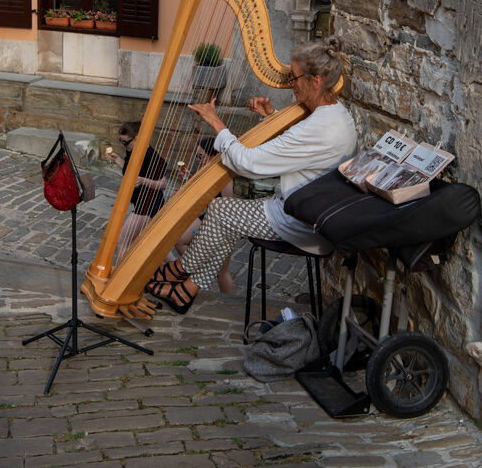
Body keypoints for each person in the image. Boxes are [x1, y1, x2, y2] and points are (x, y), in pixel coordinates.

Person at [145, 37, 357, 314]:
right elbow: (298, 146)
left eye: (294, 79)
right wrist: (271, 117)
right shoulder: (336, 115)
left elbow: (248, 164)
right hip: (305, 207)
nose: (291, 85)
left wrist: (216, 123)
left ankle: (175, 272)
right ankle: (185, 291)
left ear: (316, 81)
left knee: (221, 212)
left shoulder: (319, 127)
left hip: (302, 221)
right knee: (225, 219)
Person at [174, 136, 234, 294]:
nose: (197, 160)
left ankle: (227, 302)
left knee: (222, 272)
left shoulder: (224, 177)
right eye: (197, 156)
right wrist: (190, 179)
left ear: (213, 156)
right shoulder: (206, 171)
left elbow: (227, 207)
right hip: (209, 219)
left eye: (201, 156)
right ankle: (197, 268)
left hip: (222, 226)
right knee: (180, 239)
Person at [106, 121, 167, 258]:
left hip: (147, 205)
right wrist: (117, 160)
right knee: (152, 247)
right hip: (142, 203)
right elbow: (131, 173)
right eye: (120, 141)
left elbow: (163, 184)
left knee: (121, 243)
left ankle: (122, 278)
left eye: (125, 142)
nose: (123, 145)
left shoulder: (150, 155)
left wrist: (143, 181)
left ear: (137, 138)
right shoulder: (133, 151)